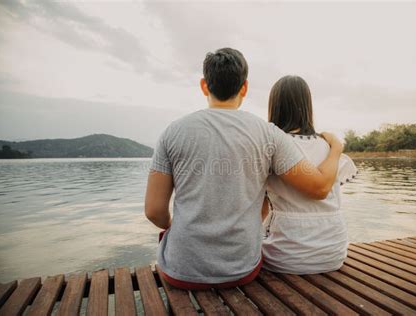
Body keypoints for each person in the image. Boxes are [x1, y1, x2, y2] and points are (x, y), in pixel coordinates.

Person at [144, 48, 343, 289]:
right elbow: (320, 187)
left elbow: (154, 211)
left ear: (204, 86)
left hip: (181, 272)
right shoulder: (269, 133)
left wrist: (175, 227)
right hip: (242, 270)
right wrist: (336, 147)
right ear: (245, 87)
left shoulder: (172, 132)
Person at [262, 75, 357, 274]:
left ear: (275, 106)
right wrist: (337, 146)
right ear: (307, 105)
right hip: (333, 254)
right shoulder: (329, 148)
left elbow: (259, 209)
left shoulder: (271, 147)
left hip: (286, 257)